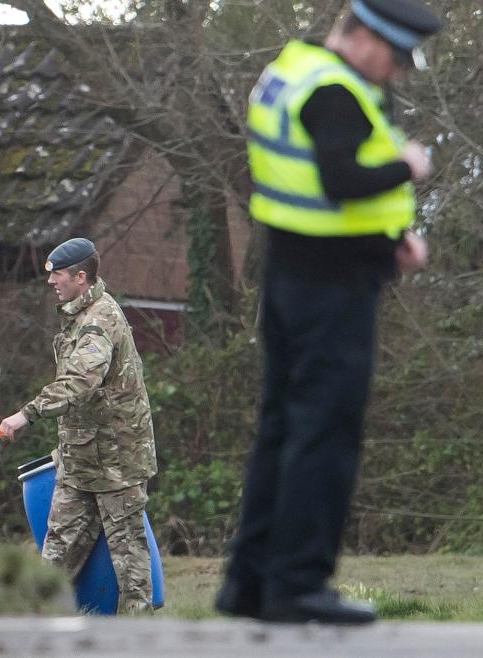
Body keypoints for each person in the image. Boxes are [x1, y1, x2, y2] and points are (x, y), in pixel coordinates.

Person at [216, 0, 442, 624]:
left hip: (296, 274)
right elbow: (343, 180)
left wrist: (390, 239)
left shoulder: (295, 71)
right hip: (331, 290)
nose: (397, 72)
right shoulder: (336, 91)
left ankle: (249, 585)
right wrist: (410, 165)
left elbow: (315, 192)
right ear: (363, 36)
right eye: (395, 57)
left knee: (283, 428)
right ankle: (298, 585)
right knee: (324, 433)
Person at [0, 238, 157, 614]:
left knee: (130, 562)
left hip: (117, 461)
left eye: (58, 275)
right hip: (80, 459)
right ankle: (33, 630)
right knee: (57, 551)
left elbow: (81, 381)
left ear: (81, 277)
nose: (51, 282)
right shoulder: (79, 313)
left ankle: (139, 640)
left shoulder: (99, 320)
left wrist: (26, 414)